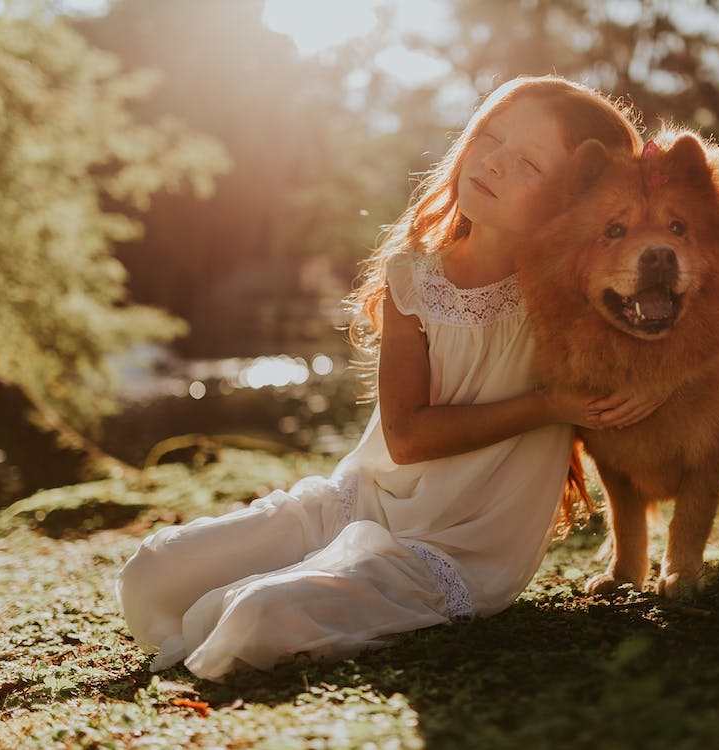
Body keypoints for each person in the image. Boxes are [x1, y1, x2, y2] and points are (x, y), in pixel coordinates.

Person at [116, 75, 657, 680]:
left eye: (529, 162)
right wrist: (550, 405)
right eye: (490, 137)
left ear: (574, 198)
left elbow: (673, 345)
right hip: (363, 501)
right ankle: (291, 574)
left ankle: (290, 593)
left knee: (256, 617)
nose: (495, 163)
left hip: (458, 547)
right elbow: (407, 438)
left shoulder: (576, 297)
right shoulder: (413, 279)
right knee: (154, 573)